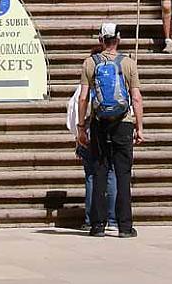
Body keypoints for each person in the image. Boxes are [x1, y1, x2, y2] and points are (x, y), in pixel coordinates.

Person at [76, 23, 144, 238]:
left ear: (100, 40)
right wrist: (139, 127)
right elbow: (136, 98)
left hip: (98, 123)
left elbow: (83, 98)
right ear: (119, 39)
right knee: (123, 174)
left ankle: (97, 225)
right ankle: (125, 226)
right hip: (123, 122)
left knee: (99, 172)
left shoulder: (89, 63)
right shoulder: (128, 63)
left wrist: (81, 127)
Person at [67, 83, 118, 233]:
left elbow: (75, 107)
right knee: (112, 173)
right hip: (114, 131)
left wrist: (78, 136)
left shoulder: (85, 85)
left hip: (90, 133)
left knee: (91, 175)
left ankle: (91, 219)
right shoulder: (117, 79)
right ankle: (113, 219)